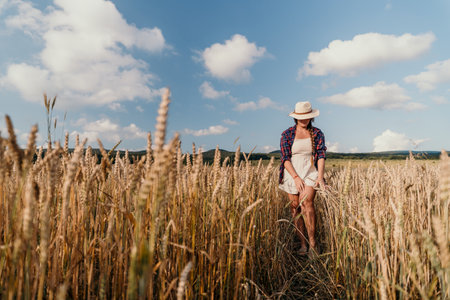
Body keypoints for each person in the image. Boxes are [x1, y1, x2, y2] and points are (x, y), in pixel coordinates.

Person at [279, 101, 326, 257]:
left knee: (307, 203)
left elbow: (320, 155)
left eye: (307, 116)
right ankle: (303, 244)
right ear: (296, 117)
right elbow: (285, 158)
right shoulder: (287, 134)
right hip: (292, 171)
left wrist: (320, 177)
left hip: (310, 171)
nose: (304, 119)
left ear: (311, 117)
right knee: (295, 208)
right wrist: (295, 177)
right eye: (301, 117)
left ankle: (313, 243)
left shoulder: (317, 133)